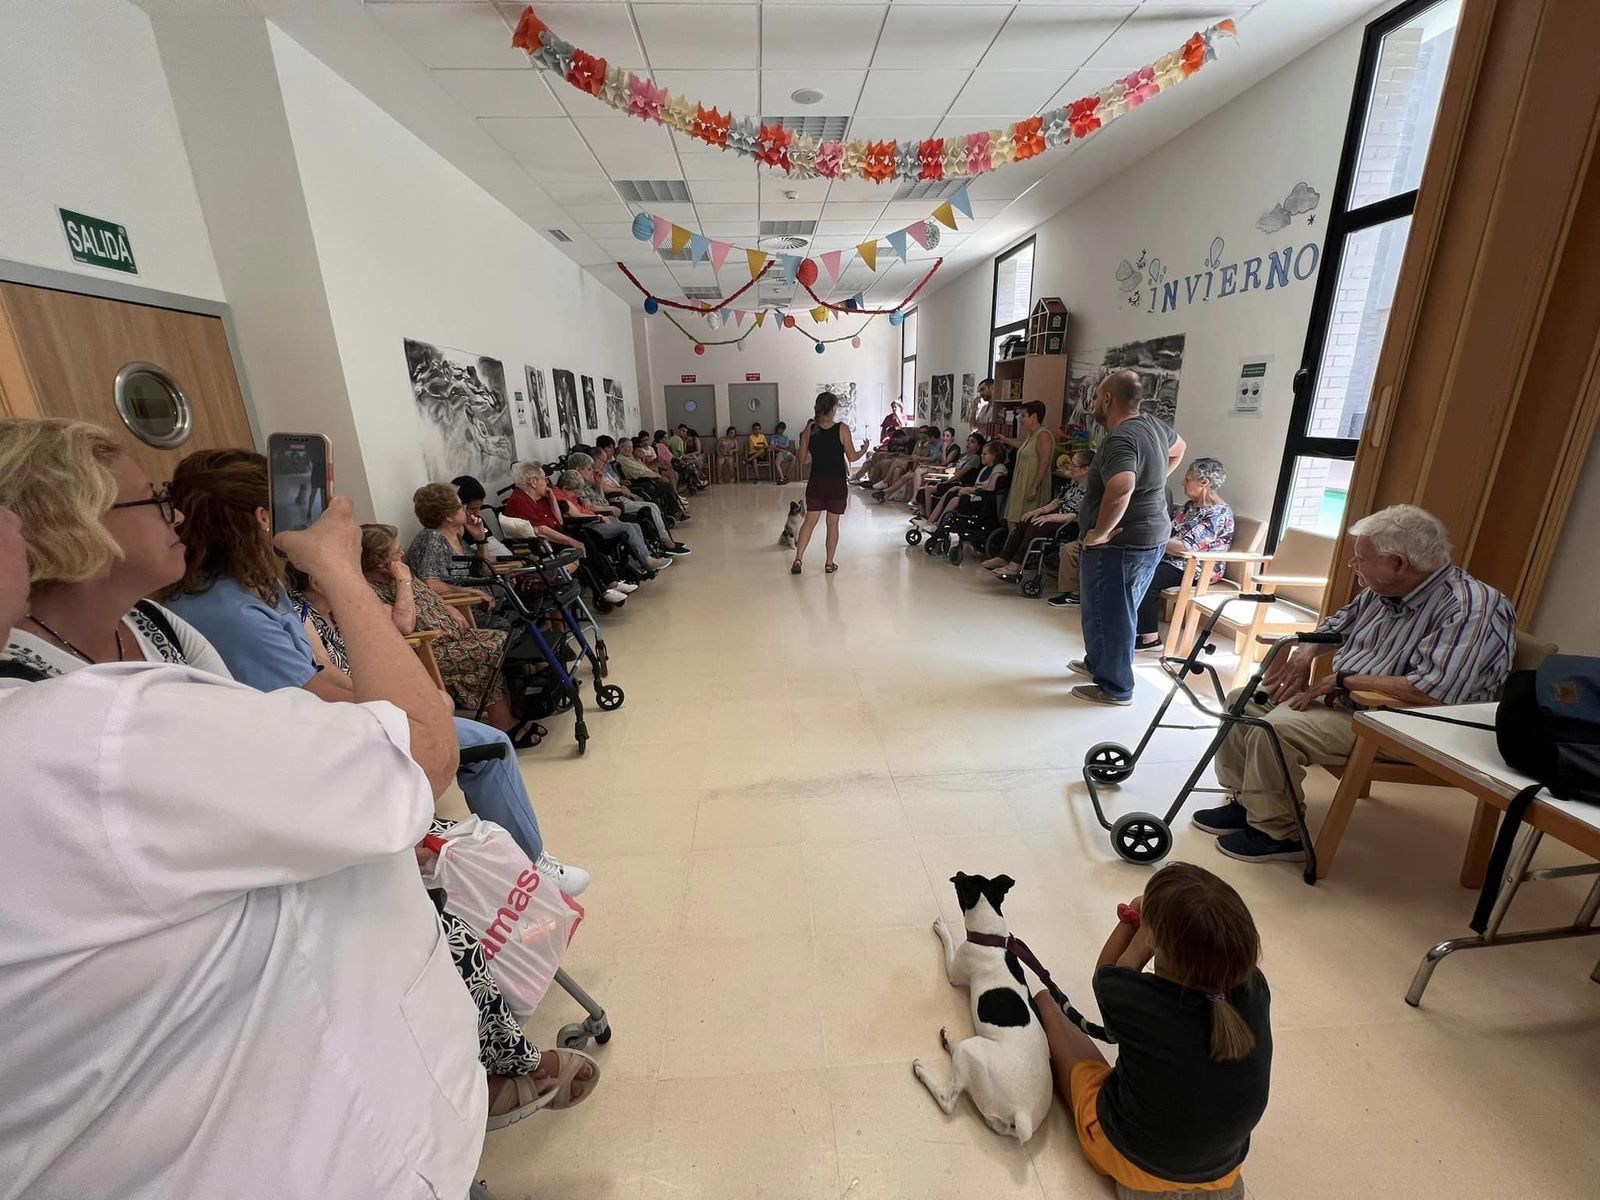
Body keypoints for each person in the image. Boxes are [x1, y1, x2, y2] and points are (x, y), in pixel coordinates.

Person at [0, 436, 491, 1196]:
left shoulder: (160, 632)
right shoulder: (87, 724)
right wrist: (333, 563)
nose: (172, 515)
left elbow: (268, 742)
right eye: (149, 500)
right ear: (67, 525)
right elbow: (417, 751)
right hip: (257, 1140)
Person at [159, 448, 587, 891]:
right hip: (304, 747)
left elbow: (321, 668)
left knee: (461, 720)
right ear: (267, 518)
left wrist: (413, 703)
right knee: (490, 747)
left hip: (325, 718)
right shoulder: (232, 612)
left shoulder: (257, 588)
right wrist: (414, 713)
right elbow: (309, 694)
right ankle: (531, 867)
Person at [1196, 504, 1516, 863]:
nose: (1354, 565)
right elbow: (1334, 628)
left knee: (1276, 729)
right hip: (1356, 703)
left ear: (1398, 562)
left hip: (1414, 725)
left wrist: (1345, 680)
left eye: (1360, 559)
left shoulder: (1471, 606)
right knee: (1245, 700)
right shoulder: (1383, 590)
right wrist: (1305, 654)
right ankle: (1249, 803)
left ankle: (1278, 833)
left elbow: (1429, 693)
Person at [1036, 863, 1271, 1195]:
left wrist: (1134, 920)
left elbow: (1107, 973)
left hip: (1136, 1160)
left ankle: (1043, 1008)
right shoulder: (1255, 990)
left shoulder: (1133, 998)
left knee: (1050, 1008)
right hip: (1222, 1166)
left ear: (1154, 938)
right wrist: (1159, 925)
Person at [1069, 371, 1185, 706]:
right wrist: (1154, 480)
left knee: (1114, 612)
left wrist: (1101, 532)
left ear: (1107, 399)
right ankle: (1098, 664)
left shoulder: (1121, 438)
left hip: (1120, 543)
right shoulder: (1153, 424)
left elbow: (1121, 487)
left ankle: (1116, 687)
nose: (1093, 404)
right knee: (1100, 607)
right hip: (1147, 536)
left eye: (1095, 398)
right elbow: (1180, 449)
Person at [359, 523, 529, 738]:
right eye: (396, 551)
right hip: (427, 650)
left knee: (508, 637)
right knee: (494, 648)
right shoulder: (370, 589)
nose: (402, 553)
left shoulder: (396, 570)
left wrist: (449, 607)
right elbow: (403, 625)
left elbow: (427, 593)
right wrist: (403, 580)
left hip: (455, 638)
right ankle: (507, 718)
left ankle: (509, 714)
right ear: (378, 562)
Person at [1134, 457, 1234, 651]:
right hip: (1172, 561)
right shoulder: (1189, 507)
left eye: (1188, 479)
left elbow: (1185, 547)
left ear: (1204, 482)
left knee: (1145, 576)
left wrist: (1151, 537)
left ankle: (1150, 639)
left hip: (1197, 568)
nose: (1183, 482)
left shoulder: (1218, 513)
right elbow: (1168, 532)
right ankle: (1129, 627)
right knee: (1131, 564)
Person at [792, 391, 870, 575]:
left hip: (816, 482)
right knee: (832, 524)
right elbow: (852, 456)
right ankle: (828, 563)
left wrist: (808, 442)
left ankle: (798, 559)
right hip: (836, 484)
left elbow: (802, 460)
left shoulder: (809, 430)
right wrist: (864, 449)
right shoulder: (842, 429)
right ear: (833, 409)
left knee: (809, 523)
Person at [985, 449, 1094, 580]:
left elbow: (1077, 515)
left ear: (1085, 469)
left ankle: (1016, 564)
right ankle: (1004, 557)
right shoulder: (1073, 483)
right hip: (1059, 514)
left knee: (1036, 526)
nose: (1069, 467)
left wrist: (1050, 517)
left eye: (1073, 465)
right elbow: (1058, 501)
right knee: (1028, 518)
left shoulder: (1092, 490)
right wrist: (1040, 510)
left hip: (1070, 523)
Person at [405, 481, 500, 610]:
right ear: (448, 516)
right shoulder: (432, 540)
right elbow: (431, 583)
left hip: (477, 604)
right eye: (461, 506)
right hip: (459, 609)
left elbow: (485, 570)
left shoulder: (455, 537)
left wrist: (480, 540)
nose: (465, 510)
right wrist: (469, 592)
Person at [919, 439, 1007, 530]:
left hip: (984, 500)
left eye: (985, 454)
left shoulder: (999, 469)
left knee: (955, 500)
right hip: (977, 494)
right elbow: (976, 486)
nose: (981, 455)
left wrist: (969, 489)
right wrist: (961, 487)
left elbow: (989, 490)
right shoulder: (985, 469)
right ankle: (930, 521)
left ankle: (938, 525)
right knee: (951, 491)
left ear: (994, 456)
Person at [998, 400, 1055, 526]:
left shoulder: (1043, 435)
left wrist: (1034, 487)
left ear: (1034, 417)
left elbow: (1044, 462)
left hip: (1031, 483)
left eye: (1023, 416)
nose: (1020, 419)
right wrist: (1006, 440)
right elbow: (1022, 446)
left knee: (1023, 521)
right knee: (1013, 519)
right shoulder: (1031, 436)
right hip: (1021, 482)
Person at [450, 474, 514, 560]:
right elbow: (480, 562)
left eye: (480, 507)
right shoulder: (454, 529)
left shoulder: (476, 519)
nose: (477, 513)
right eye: (472, 509)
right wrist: (510, 561)